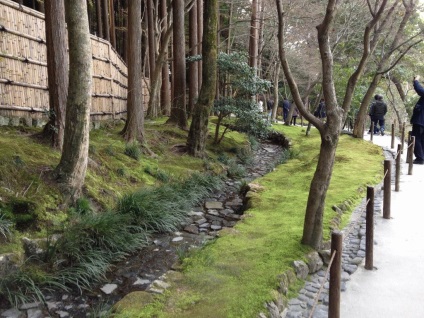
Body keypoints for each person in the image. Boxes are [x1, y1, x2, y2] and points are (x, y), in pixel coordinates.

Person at [410, 75, 424, 164]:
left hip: (420, 121)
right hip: (421, 121)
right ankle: (421, 157)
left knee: (416, 138)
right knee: (422, 139)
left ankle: (420, 158)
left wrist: (416, 80)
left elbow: (420, 90)